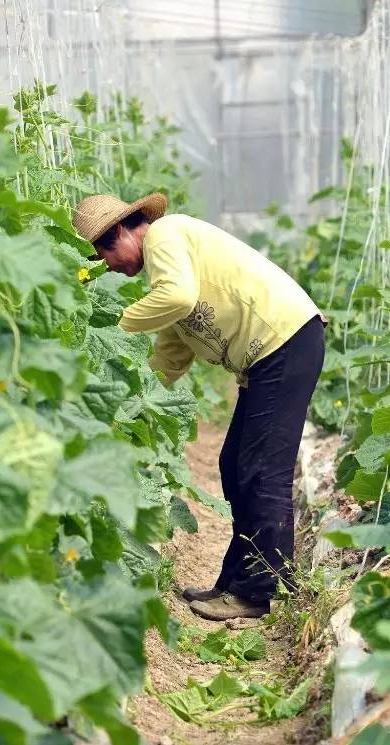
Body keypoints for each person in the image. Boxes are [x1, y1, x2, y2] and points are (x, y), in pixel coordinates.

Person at [73, 192, 325, 621]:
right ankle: (235, 583)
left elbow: (178, 299)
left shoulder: (164, 235)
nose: (109, 267)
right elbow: (170, 356)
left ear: (119, 232)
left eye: (103, 256)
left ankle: (260, 591)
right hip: (271, 355)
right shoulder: (168, 268)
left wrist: (111, 328)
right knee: (235, 465)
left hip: (285, 342)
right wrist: (125, 402)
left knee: (262, 471)